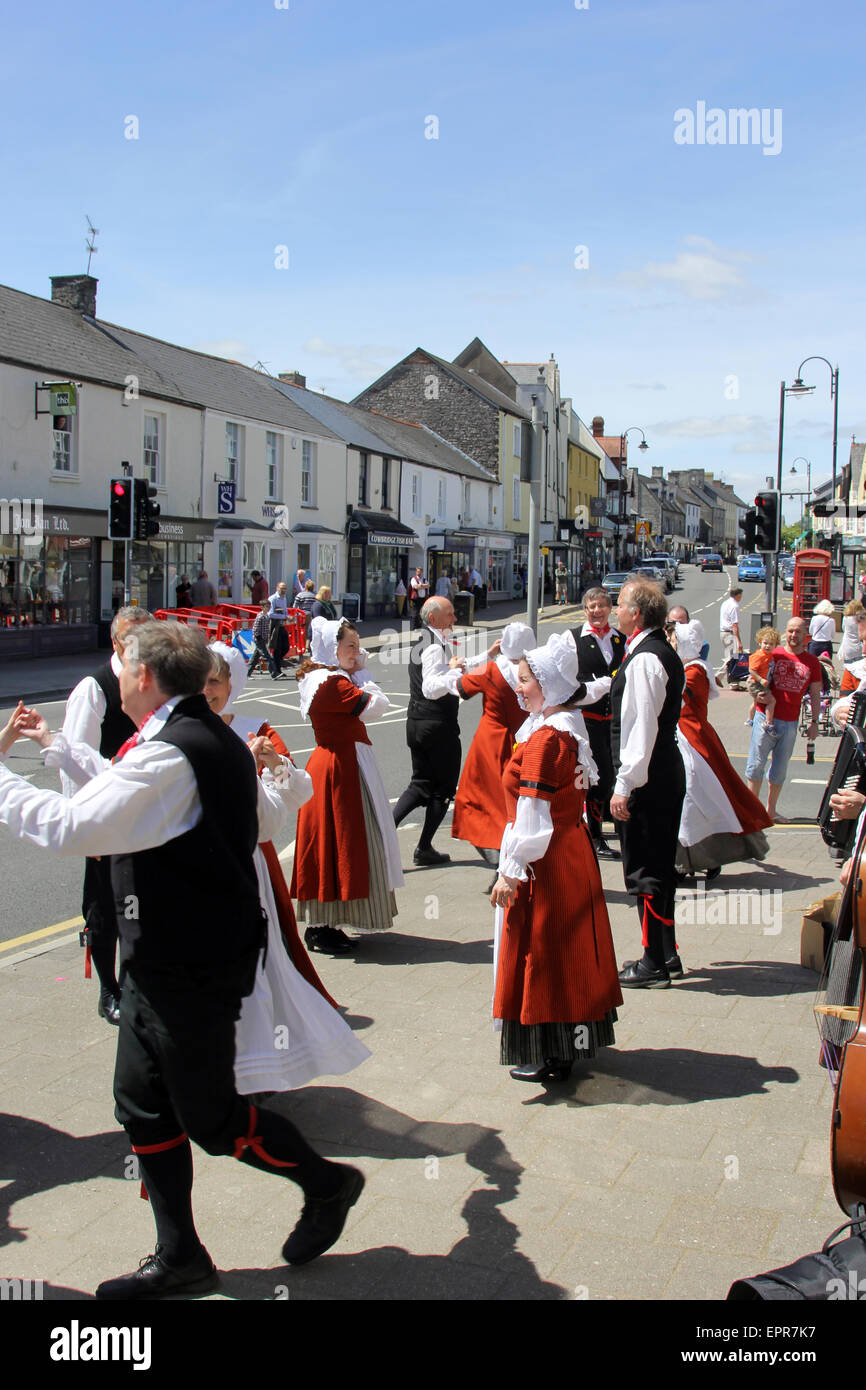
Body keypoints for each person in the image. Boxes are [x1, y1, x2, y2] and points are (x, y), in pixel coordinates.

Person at [0, 623, 365, 1297]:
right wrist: (57, 748)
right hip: (162, 955)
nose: (113, 671)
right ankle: (181, 1255)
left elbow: (75, 827)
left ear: (144, 677)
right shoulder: (200, 740)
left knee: (212, 1117)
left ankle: (328, 1183)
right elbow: (144, 794)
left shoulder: (174, 754)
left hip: (192, 965)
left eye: (120, 662)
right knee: (140, 1103)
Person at [204, 644, 371, 1090]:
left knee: (265, 954)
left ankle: (261, 1057)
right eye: (199, 681)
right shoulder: (176, 728)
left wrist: (272, 761)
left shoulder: (254, 730)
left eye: (216, 682)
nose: (206, 691)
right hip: (193, 869)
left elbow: (291, 790)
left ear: (232, 684)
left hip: (246, 860)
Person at [490, 632, 622, 1083]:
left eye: (525, 680)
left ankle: (551, 1052)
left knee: (543, 950)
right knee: (566, 949)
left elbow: (534, 811)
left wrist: (511, 870)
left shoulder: (547, 738)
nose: (518, 687)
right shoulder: (565, 723)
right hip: (570, 851)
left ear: (547, 685)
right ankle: (564, 1045)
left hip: (545, 858)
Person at [58, 605, 154, 1025]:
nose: (139, 645)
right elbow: (73, 759)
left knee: (140, 901)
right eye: (131, 638)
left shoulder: (153, 679)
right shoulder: (95, 688)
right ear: (115, 642)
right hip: (107, 816)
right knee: (105, 908)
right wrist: (88, 827)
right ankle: (108, 989)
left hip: (145, 816)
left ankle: (139, 983)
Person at [293, 617, 403, 955]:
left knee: (340, 843)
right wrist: (365, 675)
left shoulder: (327, 678)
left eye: (358, 645)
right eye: (350, 647)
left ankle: (328, 923)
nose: (358, 653)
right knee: (340, 842)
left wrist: (355, 669)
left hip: (341, 764)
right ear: (331, 650)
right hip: (339, 769)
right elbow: (377, 707)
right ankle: (320, 927)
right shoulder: (332, 683)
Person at [610, 580, 686, 988]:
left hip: (649, 777)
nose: (614, 611)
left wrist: (625, 785)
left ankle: (653, 962)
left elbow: (640, 730)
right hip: (663, 772)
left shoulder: (644, 660)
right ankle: (666, 954)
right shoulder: (656, 651)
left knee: (644, 870)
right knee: (659, 866)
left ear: (636, 613)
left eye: (620, 605)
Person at [669, 620, 772, 879]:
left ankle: (697, 858)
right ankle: (693, 858)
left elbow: (672, 702)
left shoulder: (692, 672)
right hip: (689, 736)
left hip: (691, 740)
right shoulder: (692, 668)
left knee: (696, 796)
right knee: (699, 797)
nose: (670, 644)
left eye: (673, 641)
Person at [450, 622, 535, 880]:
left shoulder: (491, 670)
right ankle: (516, 852)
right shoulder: (534, 671)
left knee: (476, 796)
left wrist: (455, 668)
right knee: (516, 799)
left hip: (491, 739)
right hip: (525, 738)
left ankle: (493, 848)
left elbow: (461, 687)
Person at [392, 596, 465, 866]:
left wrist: (483, 657)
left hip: (417, 722)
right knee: (442, 789)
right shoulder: (434, 647)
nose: (455, 619)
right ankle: (424, 848)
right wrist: (454, 672)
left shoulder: (423, 640)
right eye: (450, 614)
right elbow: (431, 688)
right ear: (433, 619)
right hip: (437, 726)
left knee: (420, 783)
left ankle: (383, 835)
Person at [745, 617, 822, 822]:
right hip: (765, 717)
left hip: (790, 721)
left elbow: (815, 694)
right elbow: (751, 678)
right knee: (756, 765)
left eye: (798, 631)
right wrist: (754, 694)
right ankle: (752, 810)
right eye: (790, 631)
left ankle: (771, 810)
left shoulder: (812, 662)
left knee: (779, 770)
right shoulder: (773, 654)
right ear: (785, 632)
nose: (793, 635)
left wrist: (815, 722)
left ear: (806, 634)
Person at [572, 588, 626, 861]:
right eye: (591, 607)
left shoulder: (620, 640)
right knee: (594, 778)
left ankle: (605, 829)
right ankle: (594, 837)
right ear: (585, 610)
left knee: (612, 775)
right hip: (585, 722)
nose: (596, 611)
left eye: (602, 606)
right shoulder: (572, 639)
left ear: (610, 609)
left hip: (614, 721)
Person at [745, 626, 779, 727]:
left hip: (760, 682)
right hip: (755, 683)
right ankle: (768, 722)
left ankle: (750, 719)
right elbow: (751, 670)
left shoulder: (769, 655)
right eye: (765, 643)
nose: (768, 646)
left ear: (775, 645)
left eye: (771, 644)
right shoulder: (759, 655)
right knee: (771, 701)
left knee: (756, 702)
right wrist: (761, 679)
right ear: (760, 642)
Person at [716, 588, 743, 687]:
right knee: (732, 658)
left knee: (732, 657)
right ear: (738, 595)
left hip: (723, 633)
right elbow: (734, 625)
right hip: (730, 634)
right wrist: (739, 641)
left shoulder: (725, 603)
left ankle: (734, 682)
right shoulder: (734, 606)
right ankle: (718, 677)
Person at [267, 581, 290, 677]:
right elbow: (270, 614)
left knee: (286, 647)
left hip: (281, 625)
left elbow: (285, 611)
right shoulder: (272, 599)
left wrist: (288, 616)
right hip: (274, 626)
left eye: (285, 588)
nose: (284, 591)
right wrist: (284, 617)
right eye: (282, 588)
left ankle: (276, 664)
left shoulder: (284, 598)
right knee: (277, 648)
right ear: (277, 588)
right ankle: (277, 669)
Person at [249, 599, 273, 677]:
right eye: (266, 606)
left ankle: (246, 673)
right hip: (259, 639)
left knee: (255, 657)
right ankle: (274, 673)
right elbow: (255, 628)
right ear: (262, 607)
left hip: (264, 638)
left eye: (269, 606)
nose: (268, 608)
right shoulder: (260, 617)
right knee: (267, 656)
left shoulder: (266, 616)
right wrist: (257, 637)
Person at [839, 600, 865, 666]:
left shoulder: (846, 618)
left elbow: (843, 629)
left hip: (847, 645)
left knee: (847, 667)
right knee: (858, 668)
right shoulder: (861, 619)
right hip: (858, 646)